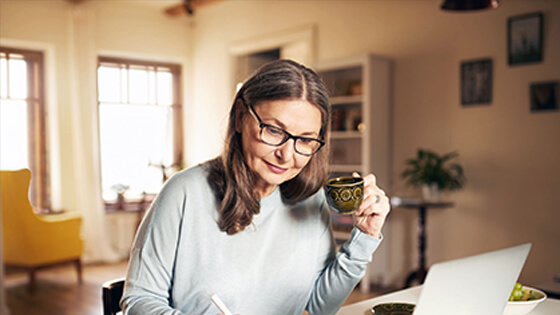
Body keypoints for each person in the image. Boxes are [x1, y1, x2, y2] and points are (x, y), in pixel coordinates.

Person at [121, 59, 390, 315]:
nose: (286, 155)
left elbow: (320, 307)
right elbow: (140, 299)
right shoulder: (185, 193)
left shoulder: (311, 200)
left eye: (306, 140)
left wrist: (364, 237)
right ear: (240, 117)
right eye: (274, 131)